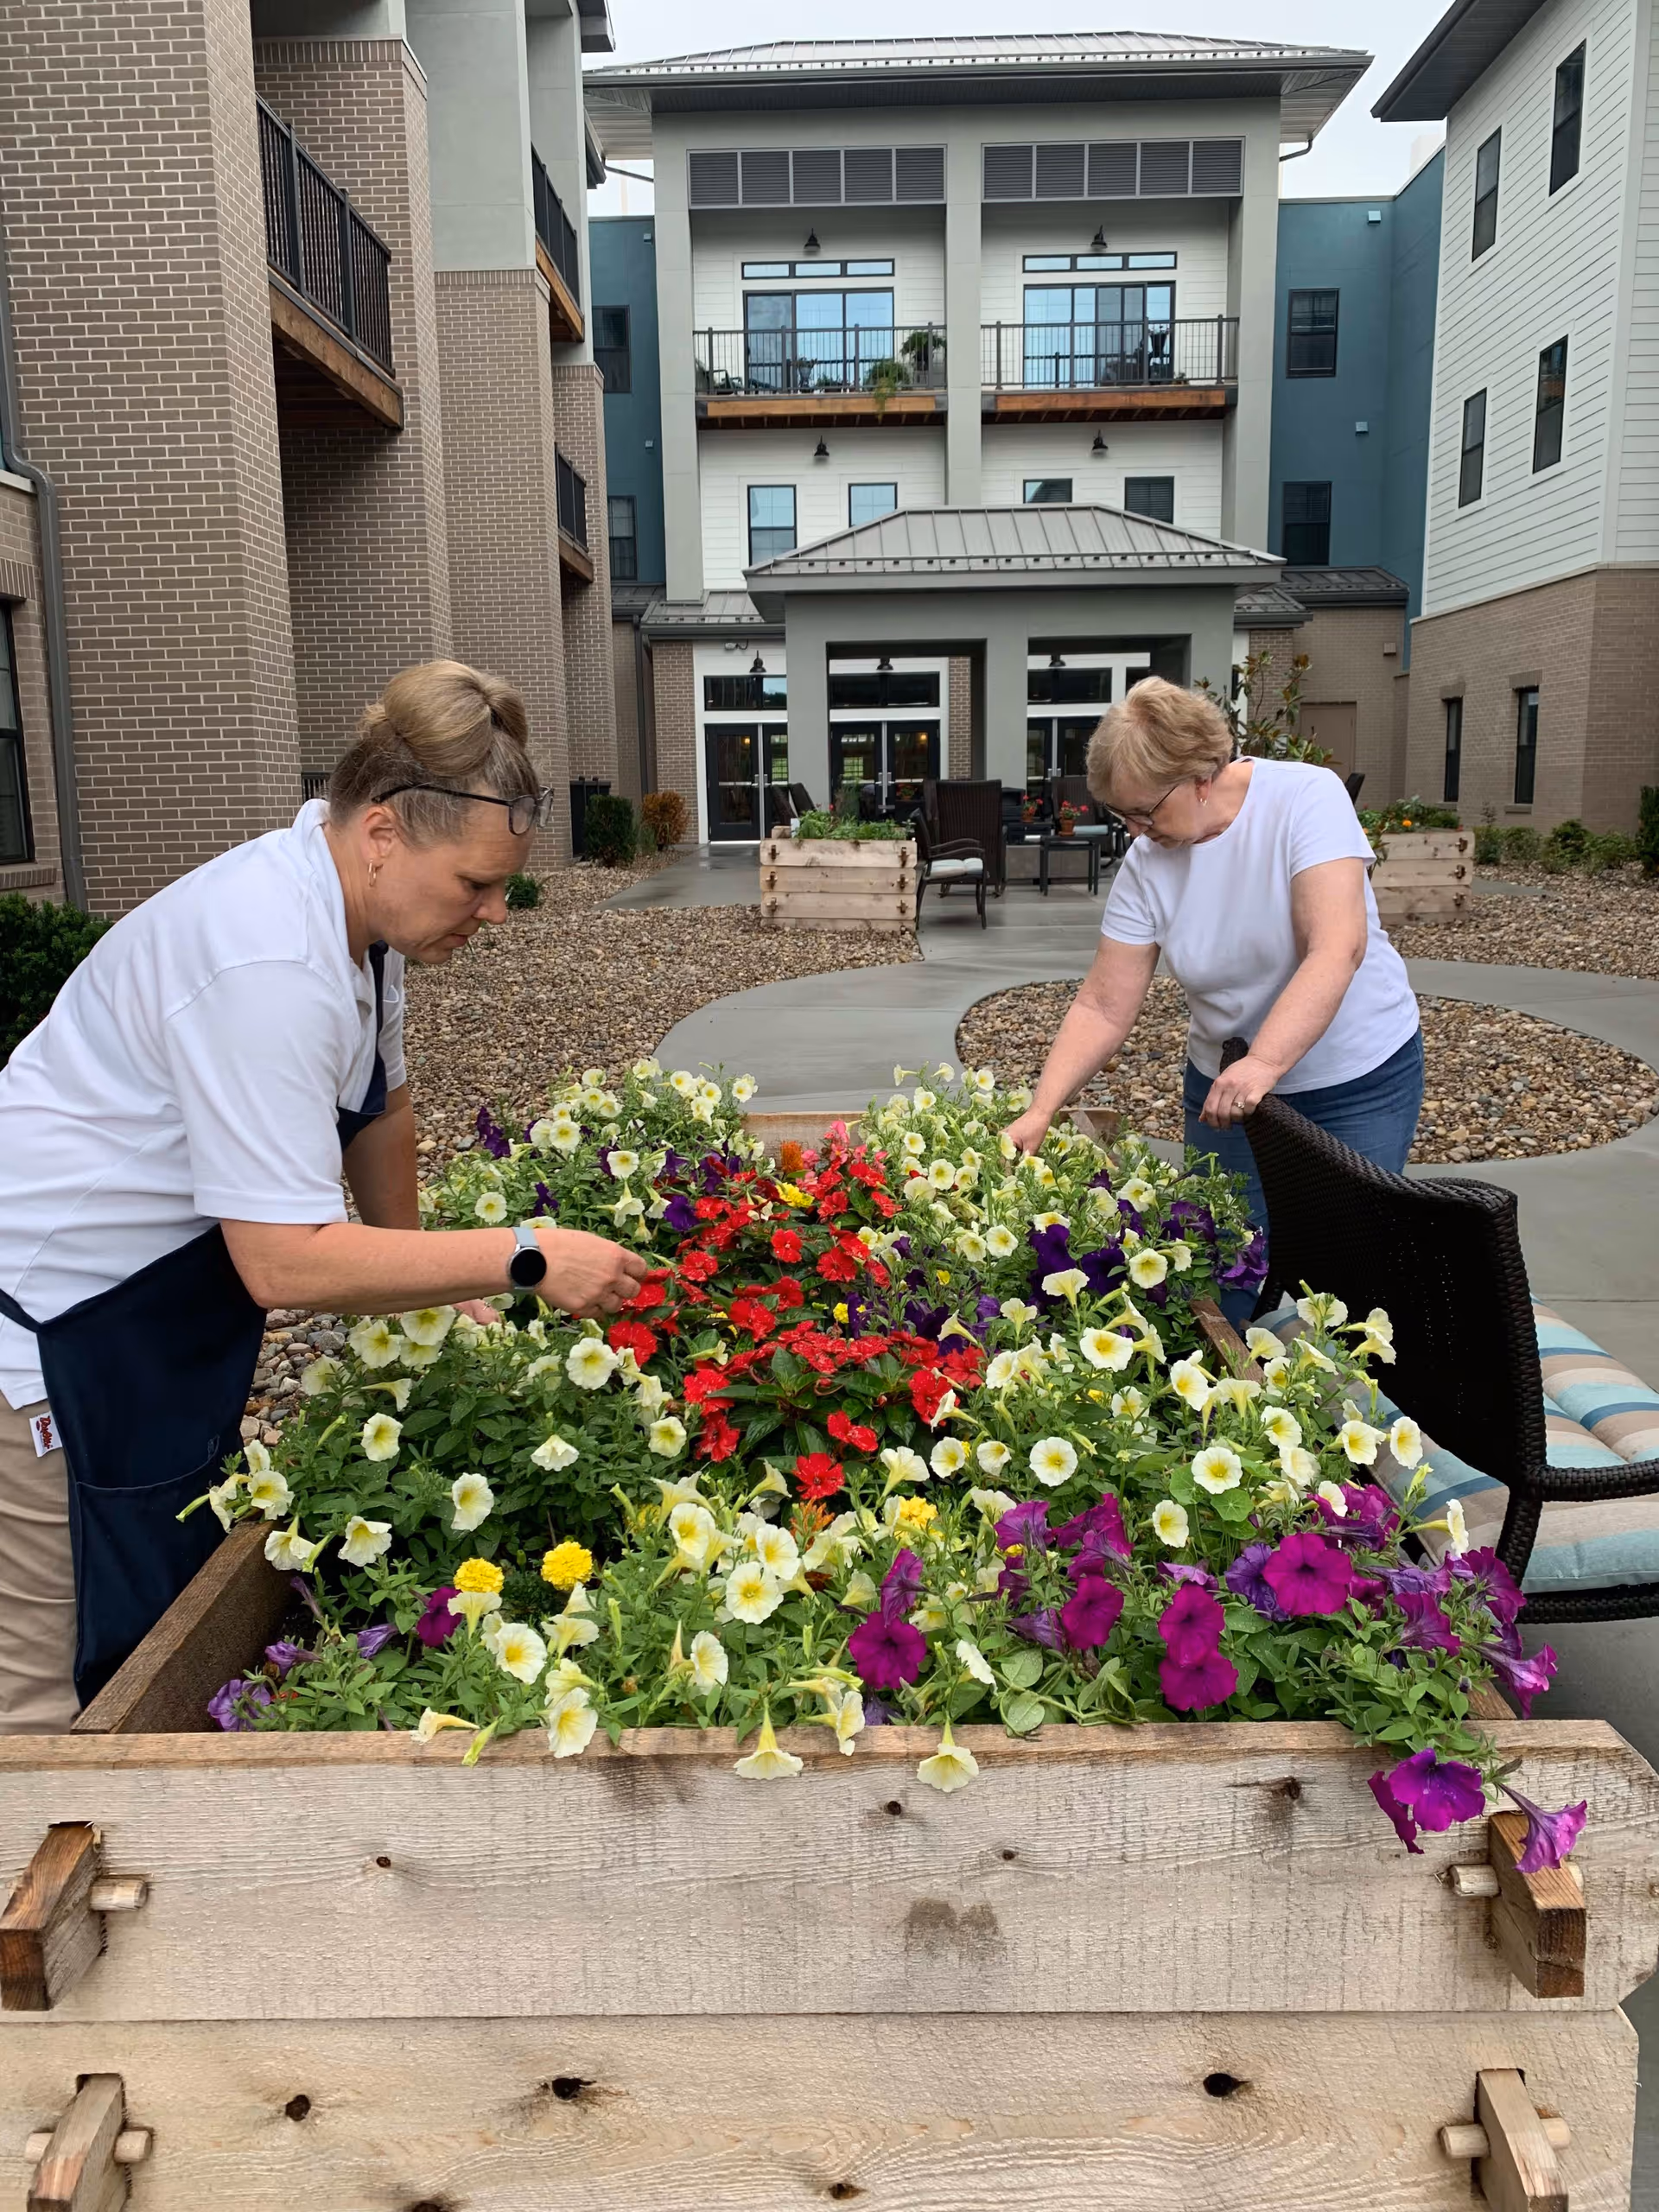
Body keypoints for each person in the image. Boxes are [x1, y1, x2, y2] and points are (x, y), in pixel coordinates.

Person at [0, 660, 652, 1732]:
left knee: (152, 1637)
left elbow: (382, 1101)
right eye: (476, 885)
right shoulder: (268, 957)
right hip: (53, 1342)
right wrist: (523, 1251)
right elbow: (286, 1261)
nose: (496, 912)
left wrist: (417, 1275)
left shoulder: (359, 918)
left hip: (146, 1325)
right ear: (386, 833)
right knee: (57, 1697)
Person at [1006, 677, 1422, 1318]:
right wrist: (1042, 1108)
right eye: (1123, 816)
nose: (1137, 832)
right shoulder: (1150, 862)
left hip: (1355, 1077)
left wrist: (1266, 1061)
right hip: (1225, 1094)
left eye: (1146, 811)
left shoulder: (1305, 798)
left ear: (1203, 774)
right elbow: (1103, 1003)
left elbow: (1336, 947)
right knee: (1219, 1262)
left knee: (1347, 1273)